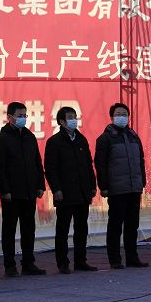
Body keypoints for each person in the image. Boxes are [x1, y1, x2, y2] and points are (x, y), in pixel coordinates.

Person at [0, 102, 47, 276]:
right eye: (19, 115)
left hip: (30, 191)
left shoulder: (30, 136)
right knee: (9, 229)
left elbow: (37, 162)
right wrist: (4, 190)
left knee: (28, 229)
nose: (23, 118)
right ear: (10, 117)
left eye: (25, 115)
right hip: (11, 193)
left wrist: (40, 184)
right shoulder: (2, 139)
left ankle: (28, 263)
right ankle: (9, 265)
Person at [44, 106, 98, 273]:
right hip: (65, 193)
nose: (74, 120)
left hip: (82, 192)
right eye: (70, 117)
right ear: (62, 121)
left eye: (75, 117)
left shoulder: (81, 139)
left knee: (81, 229)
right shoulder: (54, 142)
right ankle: (63, 263)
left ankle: (80, 261)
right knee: (63, 229)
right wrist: (56, 189)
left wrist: (92, 185)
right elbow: (50, 169)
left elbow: (89, 165)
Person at [95, 102, 148, 269]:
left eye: (124, 114)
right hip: (117, 188)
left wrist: (142, 181)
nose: (122, 117)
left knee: (132, 225)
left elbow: (140, 160)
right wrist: (104, 186)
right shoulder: (105, 138)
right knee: (116, 225)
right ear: (112, 117)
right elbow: (100, 164)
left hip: (134, 187)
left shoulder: (134, 136)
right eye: (118, 114)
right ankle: (115, 259)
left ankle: (132, 258)